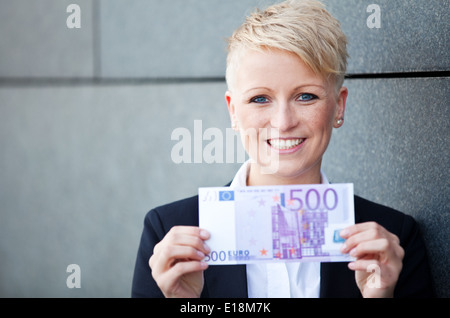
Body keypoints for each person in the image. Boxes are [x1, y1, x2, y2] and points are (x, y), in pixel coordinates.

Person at [132, 0, 434, 298]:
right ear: (233, 112)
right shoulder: (168, 235)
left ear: (338, 106)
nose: (283, 122)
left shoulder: (393, 240)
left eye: (305, 96)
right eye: (260, 99)